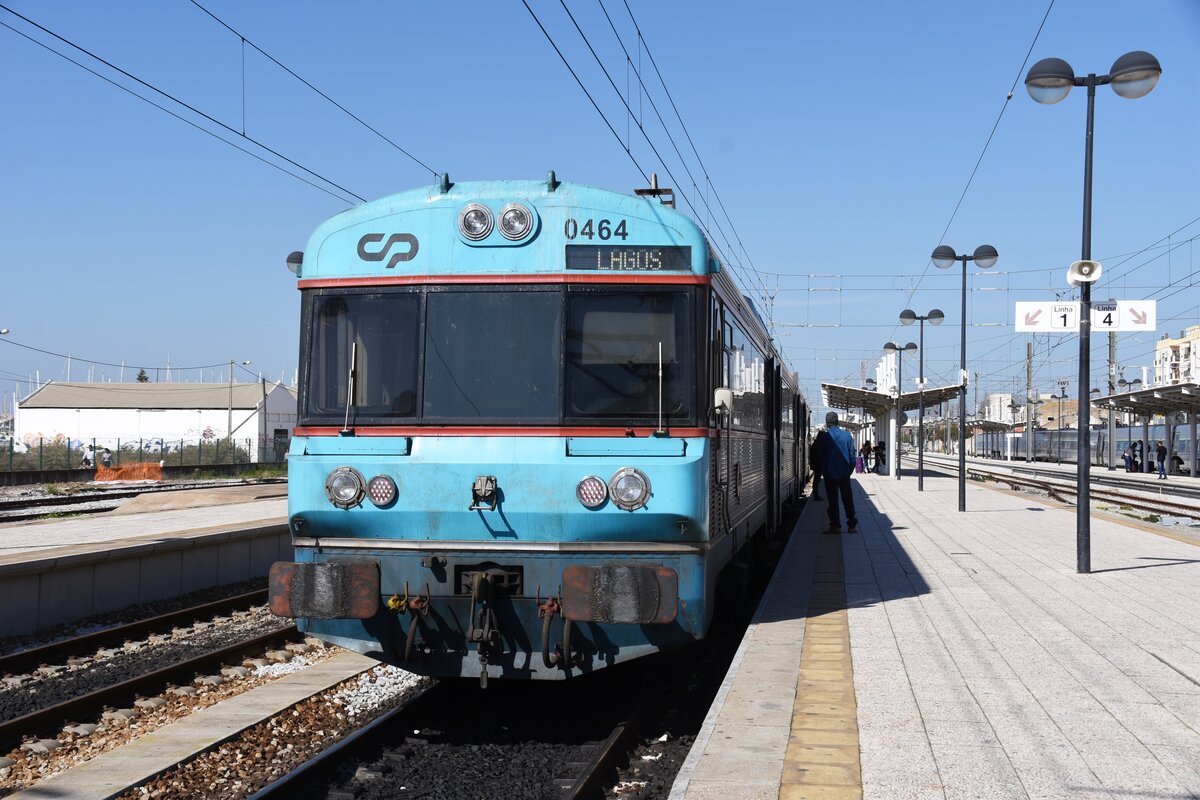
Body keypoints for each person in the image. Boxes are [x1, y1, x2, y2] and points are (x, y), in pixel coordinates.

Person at [813, 411, 857, 534]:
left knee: (832, 501)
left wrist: (825, 470)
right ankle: (851, 525)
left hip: (829, 475)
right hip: (844, 474)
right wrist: (849, 471)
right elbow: (852, 456)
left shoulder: (825, 438)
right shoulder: (847, 436)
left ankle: (835, 525)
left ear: (827, 424)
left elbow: (820, 456)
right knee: (847, 499)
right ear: (837, 421)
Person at [808, 435, 824, 502]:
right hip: (818, 466)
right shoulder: (818, 445)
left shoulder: (816, 444)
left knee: (816, 481)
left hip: (816, 465)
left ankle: (816, 495)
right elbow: (819, 456)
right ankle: (816, 496)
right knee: (816, 481)